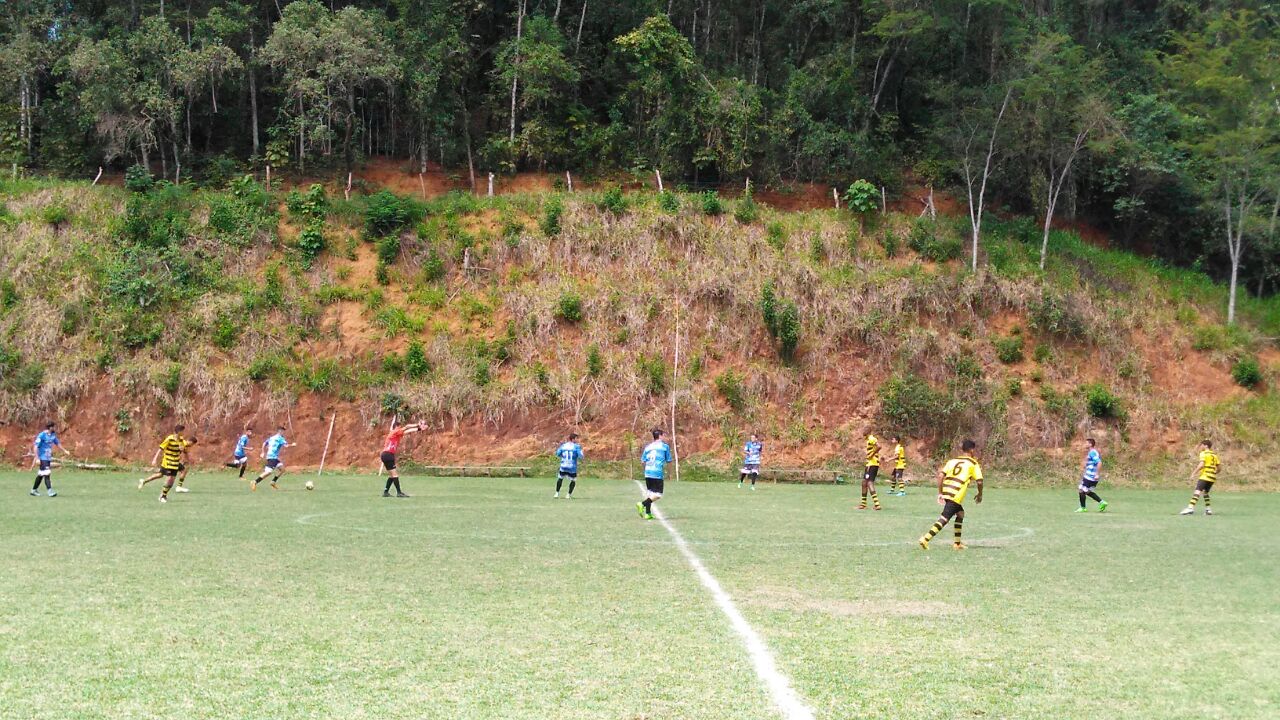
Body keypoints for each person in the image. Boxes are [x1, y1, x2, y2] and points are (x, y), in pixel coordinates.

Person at [918, 439, 984, 550]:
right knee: (944, 518)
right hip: (956, 494)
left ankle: (957, 543)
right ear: (972, 450)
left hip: (947, 491)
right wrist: (980, 494)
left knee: (960, 514)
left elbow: (940, 476)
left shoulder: (952, 461)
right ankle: (925, 539)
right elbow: (980, 481)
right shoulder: (973, 463)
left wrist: (940, 493)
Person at [137, 425, 187, 503]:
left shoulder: (181, 440)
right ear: (179, 431)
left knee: (168, 479)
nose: (184, 432)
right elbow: (161, 448)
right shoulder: (169, 439)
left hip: (175, 462)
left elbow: (183, 449)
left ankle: (145, 482)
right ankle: (163, 496)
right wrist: (154, 459)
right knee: (170, 478)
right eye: (183, 431)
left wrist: (182, 449)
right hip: (167, 462)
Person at [636, 428, 673, 520]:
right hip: (657, 472)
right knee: (658, 494)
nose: (664, 437)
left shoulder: (648, 447)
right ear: (660, 436)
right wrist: (670, 473)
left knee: (650, 493)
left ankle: (648, 513)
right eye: (663, 435)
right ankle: (642, 504)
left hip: (648, 472)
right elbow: (669, 461)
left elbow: (642, 461)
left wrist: (646, 470)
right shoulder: (664, 447)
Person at [380, 421, 424, 497]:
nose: (400, 429)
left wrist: (418, 429)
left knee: (391, 475)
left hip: (385, 455)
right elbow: (407, 426)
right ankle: (399, 493)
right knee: (395, 474)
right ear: (396, 427)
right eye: (399, 427)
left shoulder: (396, 434)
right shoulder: (394, 431)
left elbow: (407, 431)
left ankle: (386, 492)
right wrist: (417, 424)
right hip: (388, 454)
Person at [30, 421, 71, 497]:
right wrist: (37, 457)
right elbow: (35, 447)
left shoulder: (53, 435)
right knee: (47, 473)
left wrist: (65, 451)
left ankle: (33, 490)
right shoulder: (42, 435)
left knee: (41, 474)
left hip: (48, 458)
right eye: (54, 427)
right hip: (43, 458)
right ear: (50, 427)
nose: (55, 428)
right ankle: (50, 491)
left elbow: (58, 443)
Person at [1180, 440, 1220, 516]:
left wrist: (1193, 473)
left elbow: (1201, 465)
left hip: (1205, 476)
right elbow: (1219, 468)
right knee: (1205, 492)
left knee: (1197, 491)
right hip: (1212, 478)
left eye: (1202, 445)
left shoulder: (1203, 453)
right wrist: (1215, 472)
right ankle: (1208, 510)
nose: (1200, 447)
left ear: (1206, 446)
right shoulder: (1215, 455)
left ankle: (1190, 508)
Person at [250, 426, 295, 491]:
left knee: (282, 469)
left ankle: (273, 482)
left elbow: (264, 443)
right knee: (268, 472)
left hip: (273, 457)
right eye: (283, 431)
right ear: (280, 431)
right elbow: (286, 445)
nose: (283, 432)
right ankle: (255, 481)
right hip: (272, 457)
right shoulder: (280, 438)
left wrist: (262, 452)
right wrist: (293, 445)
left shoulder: (271, 438)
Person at [1075, 437, 1108, 513]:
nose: (1085, 444)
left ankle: (1083, 508)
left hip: (1090, 476)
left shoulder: (1092, 452)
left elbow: (1099, 462)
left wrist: (1097, 474)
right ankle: (1102, 502)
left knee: (1081, 490)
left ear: (1090, 444)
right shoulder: (1092, 452)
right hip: (1090, 475)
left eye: (1086, 443)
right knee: (1086, 491)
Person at [554, 432, 584, 498]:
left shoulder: (564, 445)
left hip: (564, 465)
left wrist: (563, 457)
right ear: (573, 439)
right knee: (573, 480)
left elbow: (558, 453)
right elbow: (581, 456)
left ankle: (556, 493)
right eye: (576, 438)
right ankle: (568, 495)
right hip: (572, 466)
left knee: (560, 478)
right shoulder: (576, 446)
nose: (577, 440)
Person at [859, 433, 882, 510]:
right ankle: (863, 504)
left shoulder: (871, 438)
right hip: (870, 464)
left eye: (864, 430)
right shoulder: (869, 439)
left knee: (869, 482)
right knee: (864, 482)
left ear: (867, 431)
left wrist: (872, 454)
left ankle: (877, 504)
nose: (862, 432)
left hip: (872, 464)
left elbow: (879, 446)